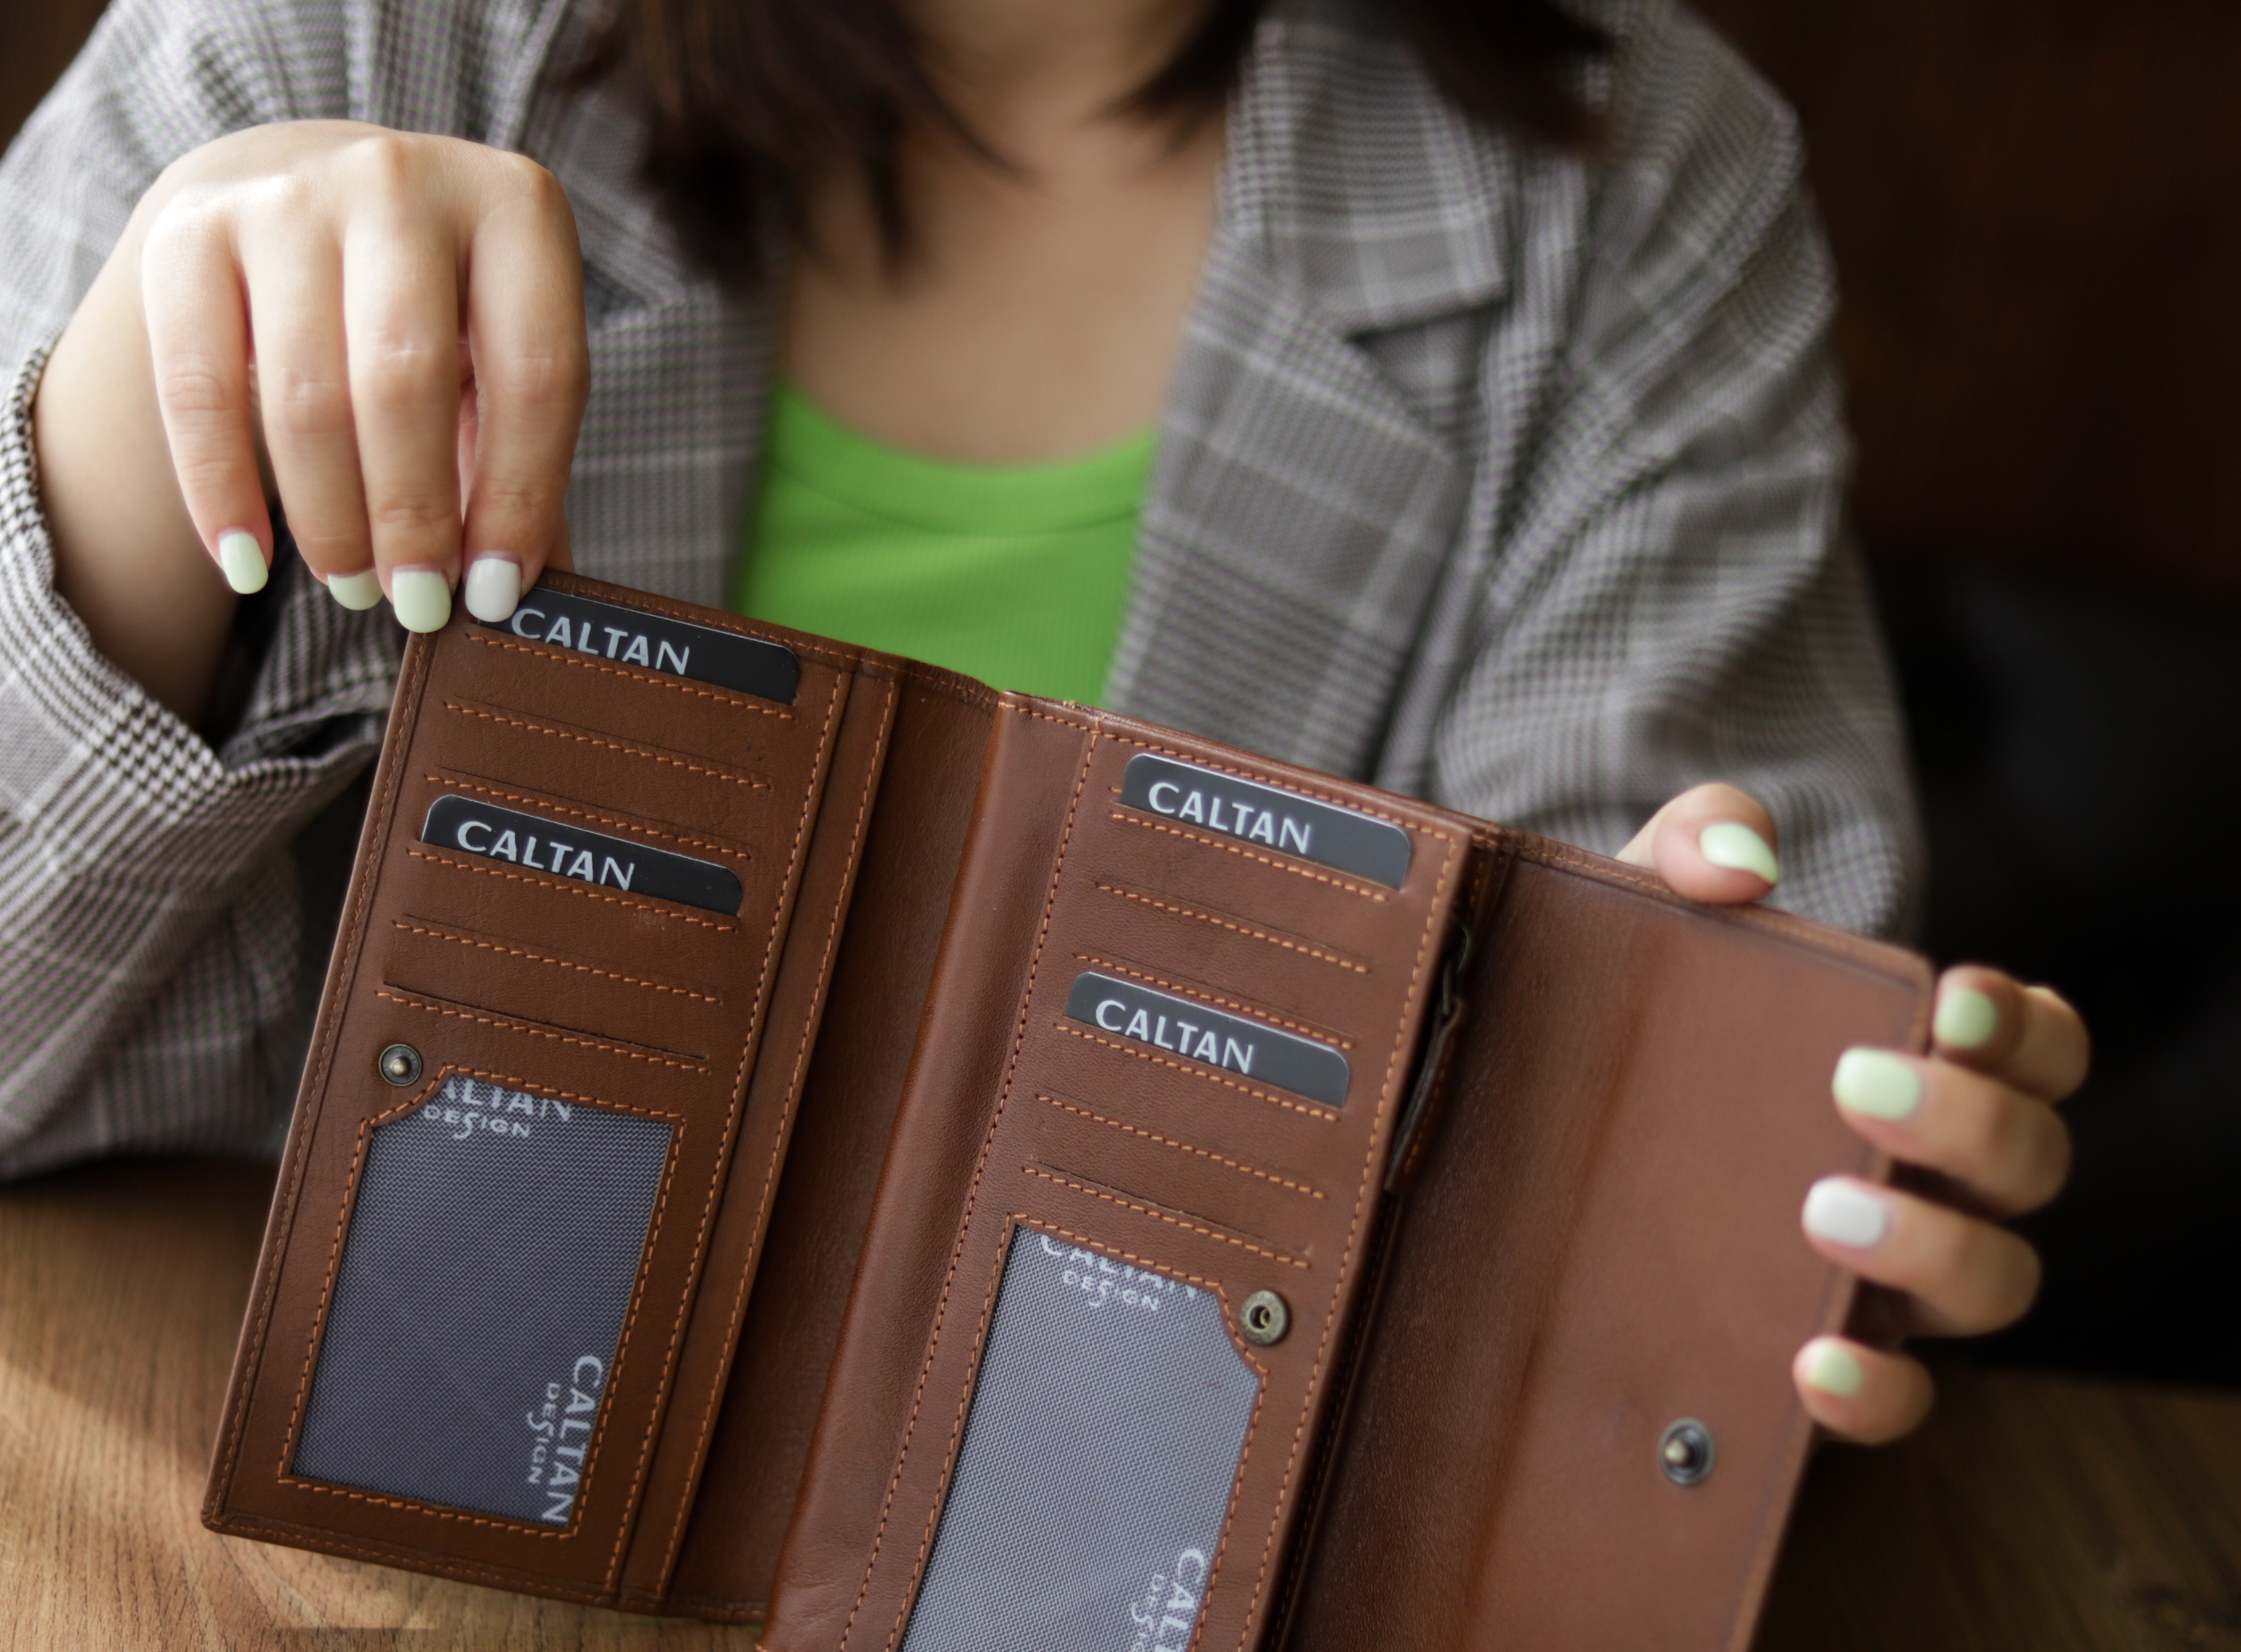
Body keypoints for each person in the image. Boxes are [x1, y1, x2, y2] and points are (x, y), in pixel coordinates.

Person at [0, 0, 2086, 1444]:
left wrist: (1698, 1183)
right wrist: (133, 424)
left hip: (1110, 1646)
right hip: (260, 1562)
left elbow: (1693, 1203)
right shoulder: (340, 39)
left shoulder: (1639, 188)